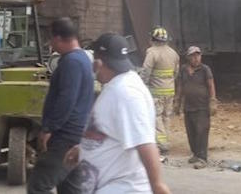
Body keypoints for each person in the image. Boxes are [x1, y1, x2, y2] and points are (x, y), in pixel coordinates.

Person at [63, 33, 172, 194]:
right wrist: (83, 149)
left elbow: (145, 143)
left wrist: (157, 186)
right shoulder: (116, 86)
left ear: (99, 62)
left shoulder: (126, 93)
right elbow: (112, 131)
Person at [27, 18, 95, 194]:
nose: (50, 44)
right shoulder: (82, 59)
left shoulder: (71, 62)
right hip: (75, 134)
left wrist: (49, 129)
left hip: (64, 137)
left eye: (50, 39)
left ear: (57, 38)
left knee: (38, 185)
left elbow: (66, 100)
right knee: (70, 188)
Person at [174, 45, 216, 169]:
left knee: (202, 131)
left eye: (198, 55)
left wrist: (213, 100)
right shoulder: (183, 70)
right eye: (193, 56)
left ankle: (203, 158)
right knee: (191, 132)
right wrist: (177, 100)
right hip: (188, 106)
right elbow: (180, 85)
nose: (196, 58)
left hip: (202, 106)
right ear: (188, 57)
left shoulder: (205, 69)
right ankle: (196, 154)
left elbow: (211, 85)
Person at [139, 27, 179, 158]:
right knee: (166, 117)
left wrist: (142, 85)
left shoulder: (152, 52)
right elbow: (175, 73)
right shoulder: (174, 53)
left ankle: (162, 144)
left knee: (156, 117)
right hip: (170, 90)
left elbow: (146, 71)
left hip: (156, 92)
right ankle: (165, 140)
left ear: (153, 39)